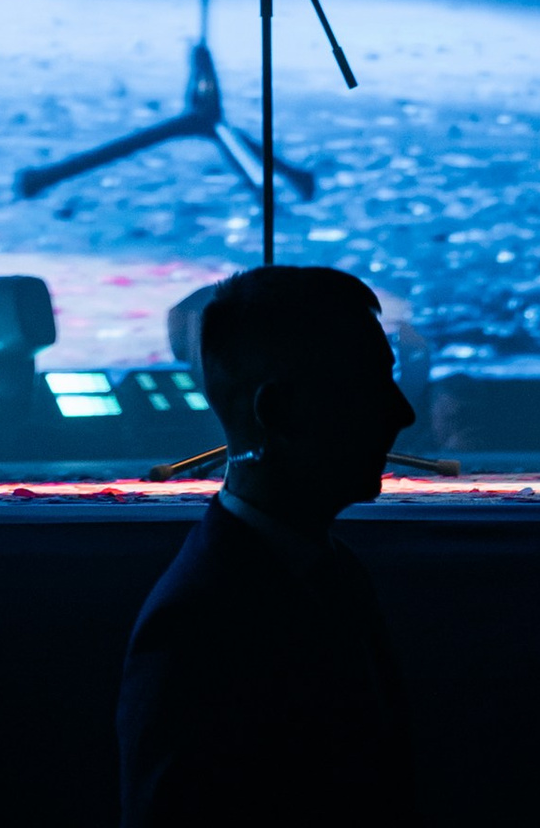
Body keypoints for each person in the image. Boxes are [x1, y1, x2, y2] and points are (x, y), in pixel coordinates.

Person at [117, 265, 419, 827]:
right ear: (276, 411)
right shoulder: (198, 625)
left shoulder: (318, 570)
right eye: (371, 382)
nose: (402, 412)